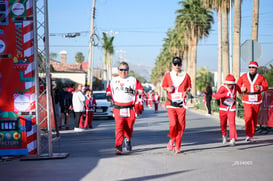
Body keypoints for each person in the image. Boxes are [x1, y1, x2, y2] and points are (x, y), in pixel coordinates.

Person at [106, 61, 144, 155]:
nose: (123, 72)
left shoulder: (133, 80)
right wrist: (109, 95)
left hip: (130, 108)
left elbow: (140, 91)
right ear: (118, 70)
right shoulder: (114, 81)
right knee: (119, 127)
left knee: (129, 127)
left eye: (125, 70)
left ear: (128, 70)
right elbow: (109, 90)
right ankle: (119, 146)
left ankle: (128, 139)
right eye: (121, 70)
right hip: (118, 108)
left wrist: (131, 91)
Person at [162, 57, 191, 154]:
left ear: (181, 65)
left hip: (181, 105)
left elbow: (189, 87)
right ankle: (172, 138)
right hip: (171, 104)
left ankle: (177, 146)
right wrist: (168, 89)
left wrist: (186, 92)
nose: (177, 66)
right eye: (175, 64)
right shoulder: (168, 75)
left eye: (179, 64)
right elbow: (164, 86)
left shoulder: (186, 76)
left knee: (181, 127)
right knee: (173, 124)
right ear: (172, 65)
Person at [237, 61, 268, 142]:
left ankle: (251, 135)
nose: (251, 69)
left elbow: (266, 86)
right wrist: (241, 88)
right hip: (247, 99)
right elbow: (238, 84)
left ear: (256, 68)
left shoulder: (260, 77)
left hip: (257, 100)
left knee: (254, 118)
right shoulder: (244, 76)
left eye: (253, 67)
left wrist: (260, 87)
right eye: (249, 67)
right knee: (248, 116)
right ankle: (248, 134)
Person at [213, 74, 241, 146]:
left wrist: (243, 90)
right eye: (228, 84)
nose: (230, 86)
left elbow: (240, 91)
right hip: (223, 108)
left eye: (231, 84)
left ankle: (233, 139)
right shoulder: (223, 88)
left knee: (232, 123)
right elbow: (216, 96)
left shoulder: (236, 86)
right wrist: (225, 94)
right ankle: (224, 135)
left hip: (232, 107)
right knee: (223, 123)